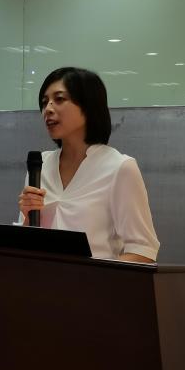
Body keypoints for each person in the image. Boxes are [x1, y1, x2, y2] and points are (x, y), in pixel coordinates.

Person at [18, 67, 160, 262]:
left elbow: (143, 250)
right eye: (44, 102)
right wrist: (26, 219)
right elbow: (25, 243)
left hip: (94, 280)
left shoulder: (120, 167)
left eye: (59, 99)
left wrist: (97, 276)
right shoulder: (39, 165)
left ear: (88, 106)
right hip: (40, 277)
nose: (48, 109)